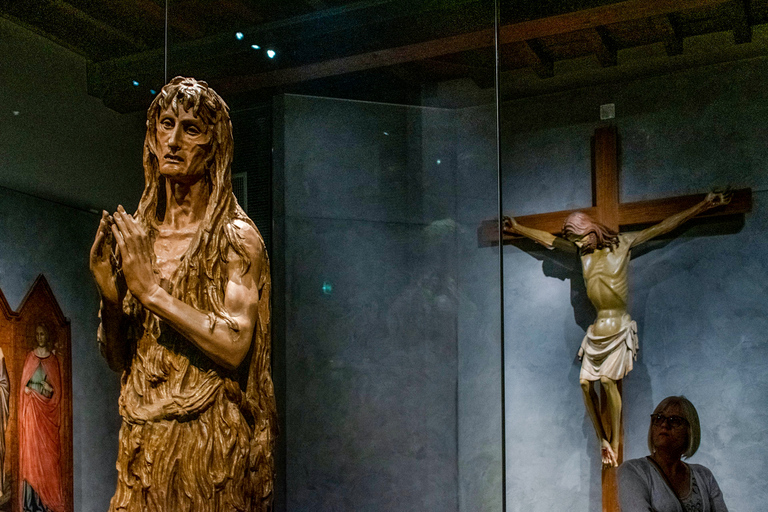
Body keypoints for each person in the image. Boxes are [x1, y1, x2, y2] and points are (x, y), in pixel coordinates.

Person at [90, 77, 276, 511]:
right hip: (141, 443)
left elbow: (234, 345)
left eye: (190, 128)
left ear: (214, 145)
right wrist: (111, 298)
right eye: (165, 125)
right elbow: (120, 360)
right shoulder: (139, 237)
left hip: (209, 444)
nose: (173, 141)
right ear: (152, 138)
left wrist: (151, 292)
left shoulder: (235, 239)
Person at [503, 191, 729, 466]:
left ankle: (616, 442)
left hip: (619, 324)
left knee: (609, 382)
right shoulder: (581, 253)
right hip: (597, 328)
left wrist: (703, 205)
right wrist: (517, 228)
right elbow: (548, 240)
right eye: (575, 241)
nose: (579, 245)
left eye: (581, 238)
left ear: (592, 231)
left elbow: (663, 227)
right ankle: (603, 440)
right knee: (585, 383)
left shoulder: (623, 244)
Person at [619, 396, 728, 511]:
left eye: (674, 420)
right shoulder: (633, 470)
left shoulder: (704, 475)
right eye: (659, 418)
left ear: (690, 430)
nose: (664, 425)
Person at [19, 324, 65, 512]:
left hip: (47, 417)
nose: (40, 337)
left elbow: (57, 393)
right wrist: (28, 390)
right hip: (31, 413)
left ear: (47, 336)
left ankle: (45, 503)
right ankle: (30, 503)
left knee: (46, 459)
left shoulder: (53, 361)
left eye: (42, 334)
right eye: (37, 334)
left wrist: (48, 390)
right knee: (31, 456)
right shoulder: (30, 358)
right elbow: (23, 386)